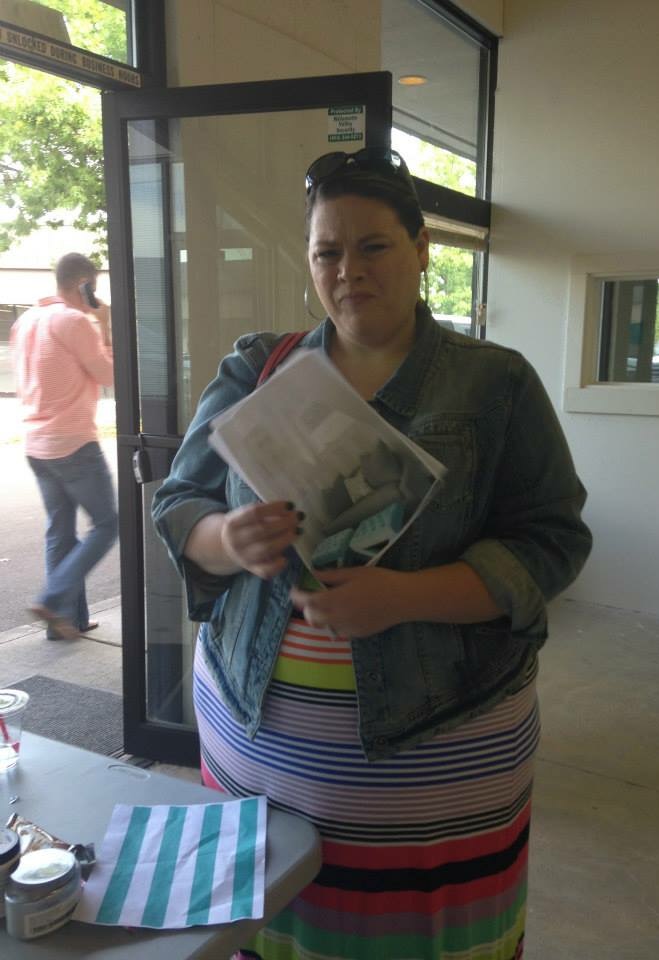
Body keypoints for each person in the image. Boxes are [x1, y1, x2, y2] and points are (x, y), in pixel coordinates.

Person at [152, 147, 592, 960]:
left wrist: (404, 597)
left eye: (374, 246)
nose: (348, 271)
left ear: (422, 249)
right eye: (327, 252)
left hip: (443, 757)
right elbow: (179, 501)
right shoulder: (257, 368)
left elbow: (554, 541)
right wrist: (226, 539)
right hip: (253, 739)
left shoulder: (495, 384)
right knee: (268, 932)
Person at [11, 252, 118, 641]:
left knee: (60, 531)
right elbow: (111, 375)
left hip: (37, 445)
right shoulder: (74, 322)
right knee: (107, 525)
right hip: (72, 444)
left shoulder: (26, 321)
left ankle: (65, 622)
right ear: (84, 285)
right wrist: (103, 324)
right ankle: (53, 599)